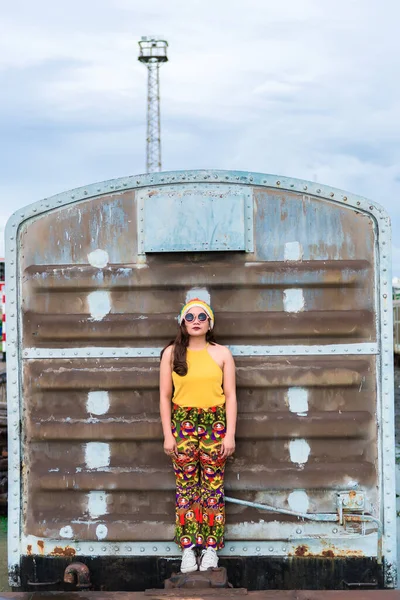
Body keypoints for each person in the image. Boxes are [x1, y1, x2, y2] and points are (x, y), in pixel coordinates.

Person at [159, 298, 237, 573]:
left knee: (213, 488)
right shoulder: (171, 354)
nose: (195, 320)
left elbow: (231, 396)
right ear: (182, 321)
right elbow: (165, 397)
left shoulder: (222, 354)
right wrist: (168, 435)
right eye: (189, 316)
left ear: (210, 322)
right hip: (183, 423)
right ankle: (189, 549)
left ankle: (211, 549)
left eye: (201, 316)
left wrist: (230, 435)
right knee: (186, 489)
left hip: (215, 423)